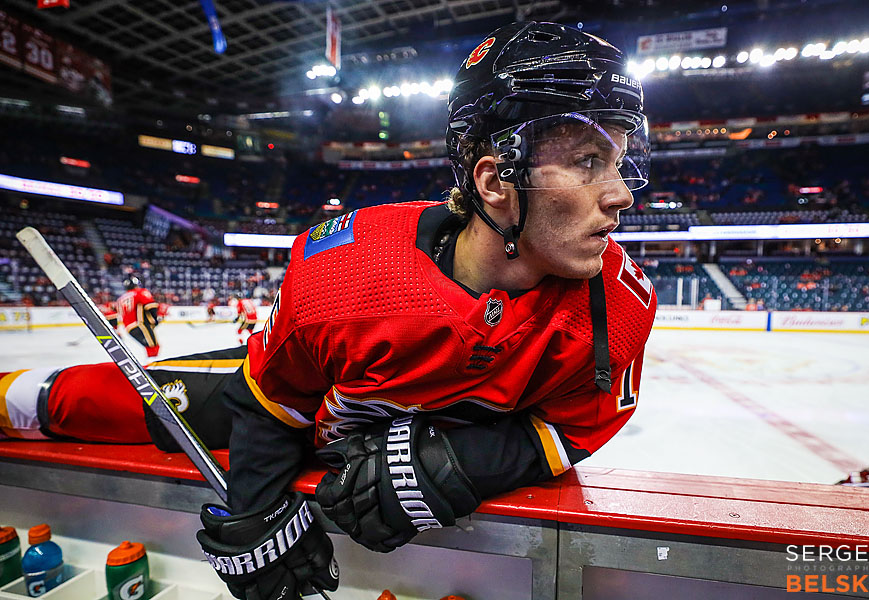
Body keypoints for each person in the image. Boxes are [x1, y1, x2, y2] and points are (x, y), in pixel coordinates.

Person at [0, 22, 656, 599]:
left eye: (621, 162)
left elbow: (569, 430)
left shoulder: (619, 306)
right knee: (107, 402)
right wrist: (254, 512)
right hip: (302, 410)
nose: (622, 194)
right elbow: (268, 400)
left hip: (343, 422)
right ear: (493, 179)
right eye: (589, 161)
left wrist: (464, 463)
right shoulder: (350, 269)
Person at [117, 275, 161, 358]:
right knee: (153, 347)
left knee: (149, 346)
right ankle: (152, 368)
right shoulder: (140, 292)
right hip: (140, 324)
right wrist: (155, 319)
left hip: (128, 329)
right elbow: (151, 306)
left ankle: (150, 365)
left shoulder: (120, 299)